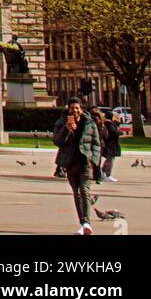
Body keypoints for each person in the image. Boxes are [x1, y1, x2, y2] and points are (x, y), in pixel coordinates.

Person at [53, 97, 102, 234]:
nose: (74, 110)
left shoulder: (89, 123)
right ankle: (83, 224)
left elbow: (97, 143)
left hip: (85, 163)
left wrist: (94, 160)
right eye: (72, 108)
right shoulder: (61, 123)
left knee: (84, 191)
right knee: (77, 194)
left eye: (77, 108)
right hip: (70, 164)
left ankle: (87, 223)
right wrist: (66, 129)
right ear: (68, 109)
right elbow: (57, 142)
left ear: (81, 109)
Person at [100, 109, 122, 183]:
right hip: (111, 145)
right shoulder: (109, 124)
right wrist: (120, 132)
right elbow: (114, 132)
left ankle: (103, 173)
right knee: (110, 160)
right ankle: (107, 175)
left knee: (109, 159)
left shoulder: (108, 123)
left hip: (109, 144)